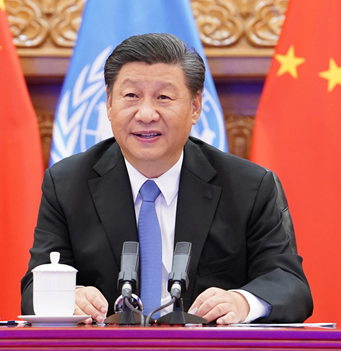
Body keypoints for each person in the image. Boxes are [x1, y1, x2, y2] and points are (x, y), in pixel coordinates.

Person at [21, 33, 312, 324]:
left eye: (164, 97)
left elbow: (290, 285)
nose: (146, 114)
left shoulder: (248, 186)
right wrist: (67, 297)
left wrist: (242, 302)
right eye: (131, 96)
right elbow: (33, 288)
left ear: (195, 107)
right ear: (109, 103)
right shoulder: (67, 184)